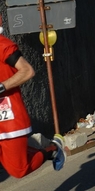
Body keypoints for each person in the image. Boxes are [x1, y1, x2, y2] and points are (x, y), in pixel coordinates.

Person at [0, 31, 66, 178]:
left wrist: (1, 86)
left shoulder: (2, 45)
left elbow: (27, 71)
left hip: (8, 118)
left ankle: (53, 148)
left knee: (19, 170)